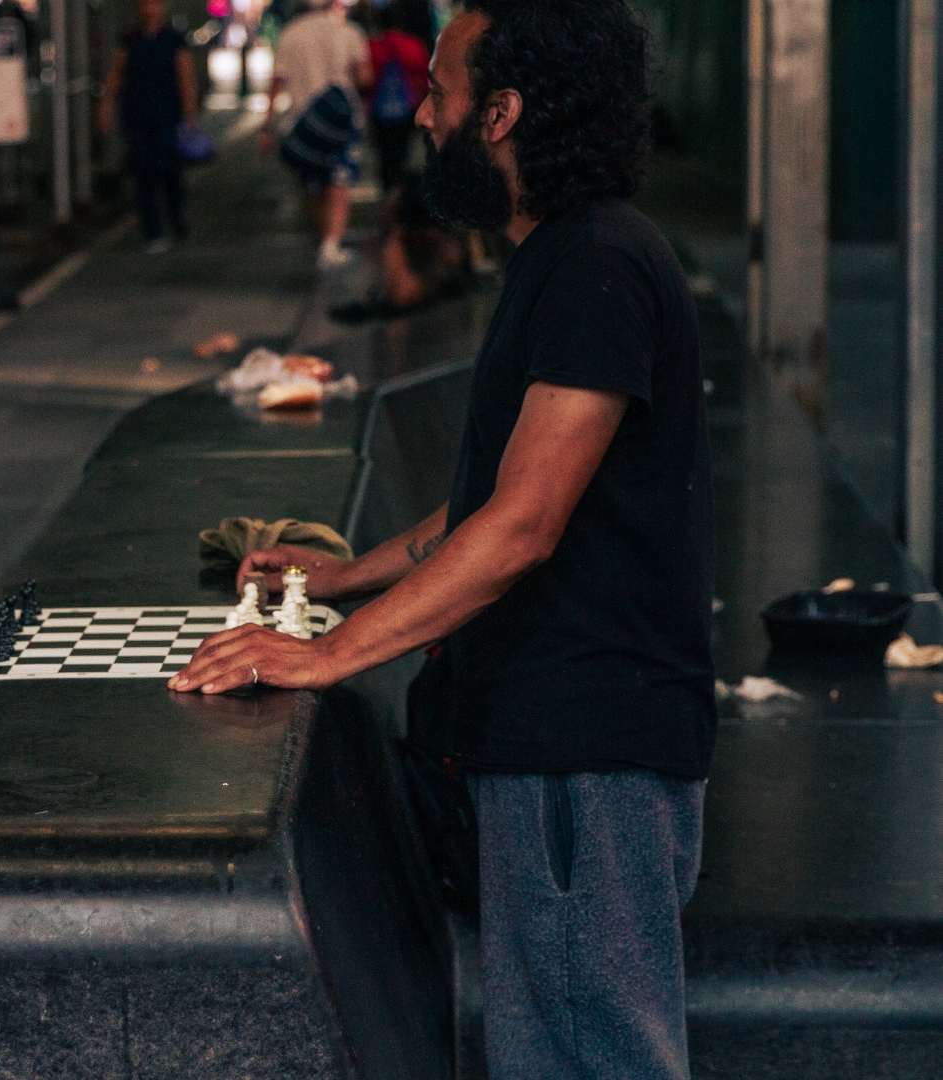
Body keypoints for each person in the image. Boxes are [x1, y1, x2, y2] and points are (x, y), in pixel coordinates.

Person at [176, 2, 713, 1078]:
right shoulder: (564, 255)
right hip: (556, 754)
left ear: (503, 115)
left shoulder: (594, 266)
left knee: (585, 1058)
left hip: (583, 769)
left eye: (441, 93)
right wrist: (345, 574)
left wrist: (328, 652)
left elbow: (522, 527)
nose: (420, 115)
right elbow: (497, 494)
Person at [260, 0, 372, 270]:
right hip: (342, 122)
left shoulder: (289, 34)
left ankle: (325, 242)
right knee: (339, 185)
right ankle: (332, 245)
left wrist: (267, 125)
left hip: (303, 125)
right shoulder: (350, 32)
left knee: (313, 186)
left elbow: (277, 81)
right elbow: (365, 78)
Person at [97, 0, 197, 254]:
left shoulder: (174, 40)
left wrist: (189, 116)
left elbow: (185, 78)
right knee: (143, 174)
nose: (148, 8)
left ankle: (177, 219)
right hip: (137, 118)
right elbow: (116, 74)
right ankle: (153, 229)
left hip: (167, 118)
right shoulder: (130, 40)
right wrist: (105, 105)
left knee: (168, 169)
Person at [366, 0, 429, 197]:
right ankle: (402, 196)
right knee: (403, 154)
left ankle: (389, 195)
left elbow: (366, 79)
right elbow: (425, 80)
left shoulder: (371, 47)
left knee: (385, 156)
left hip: (379, 111)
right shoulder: (413, 45)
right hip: (407, 109)